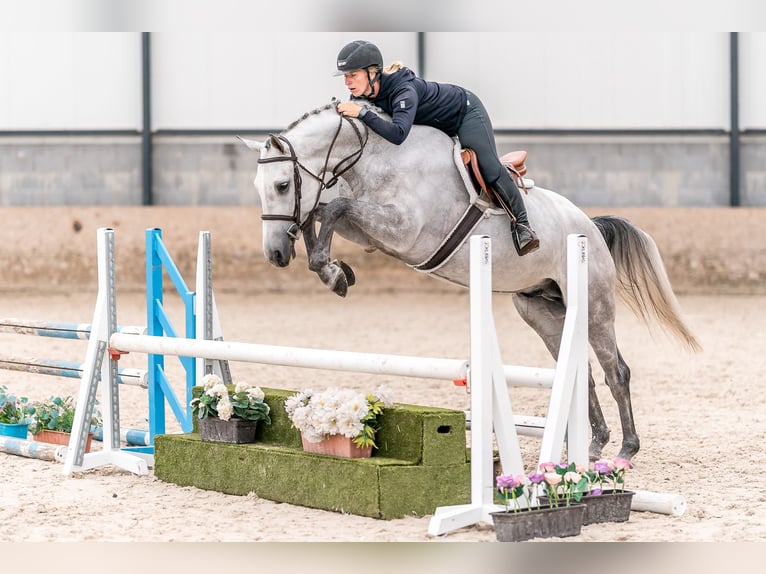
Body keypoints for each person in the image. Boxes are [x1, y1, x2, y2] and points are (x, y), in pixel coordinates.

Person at [334, 40, 539, 256]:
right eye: (345, 76)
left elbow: (397, 134)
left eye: (352, 75)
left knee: (488, 166)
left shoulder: (403, 89)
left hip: (465, 113)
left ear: (372, 72)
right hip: (436, 126)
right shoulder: (360, 96)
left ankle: (523, 226)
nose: (347, 82)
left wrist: (362, 114)